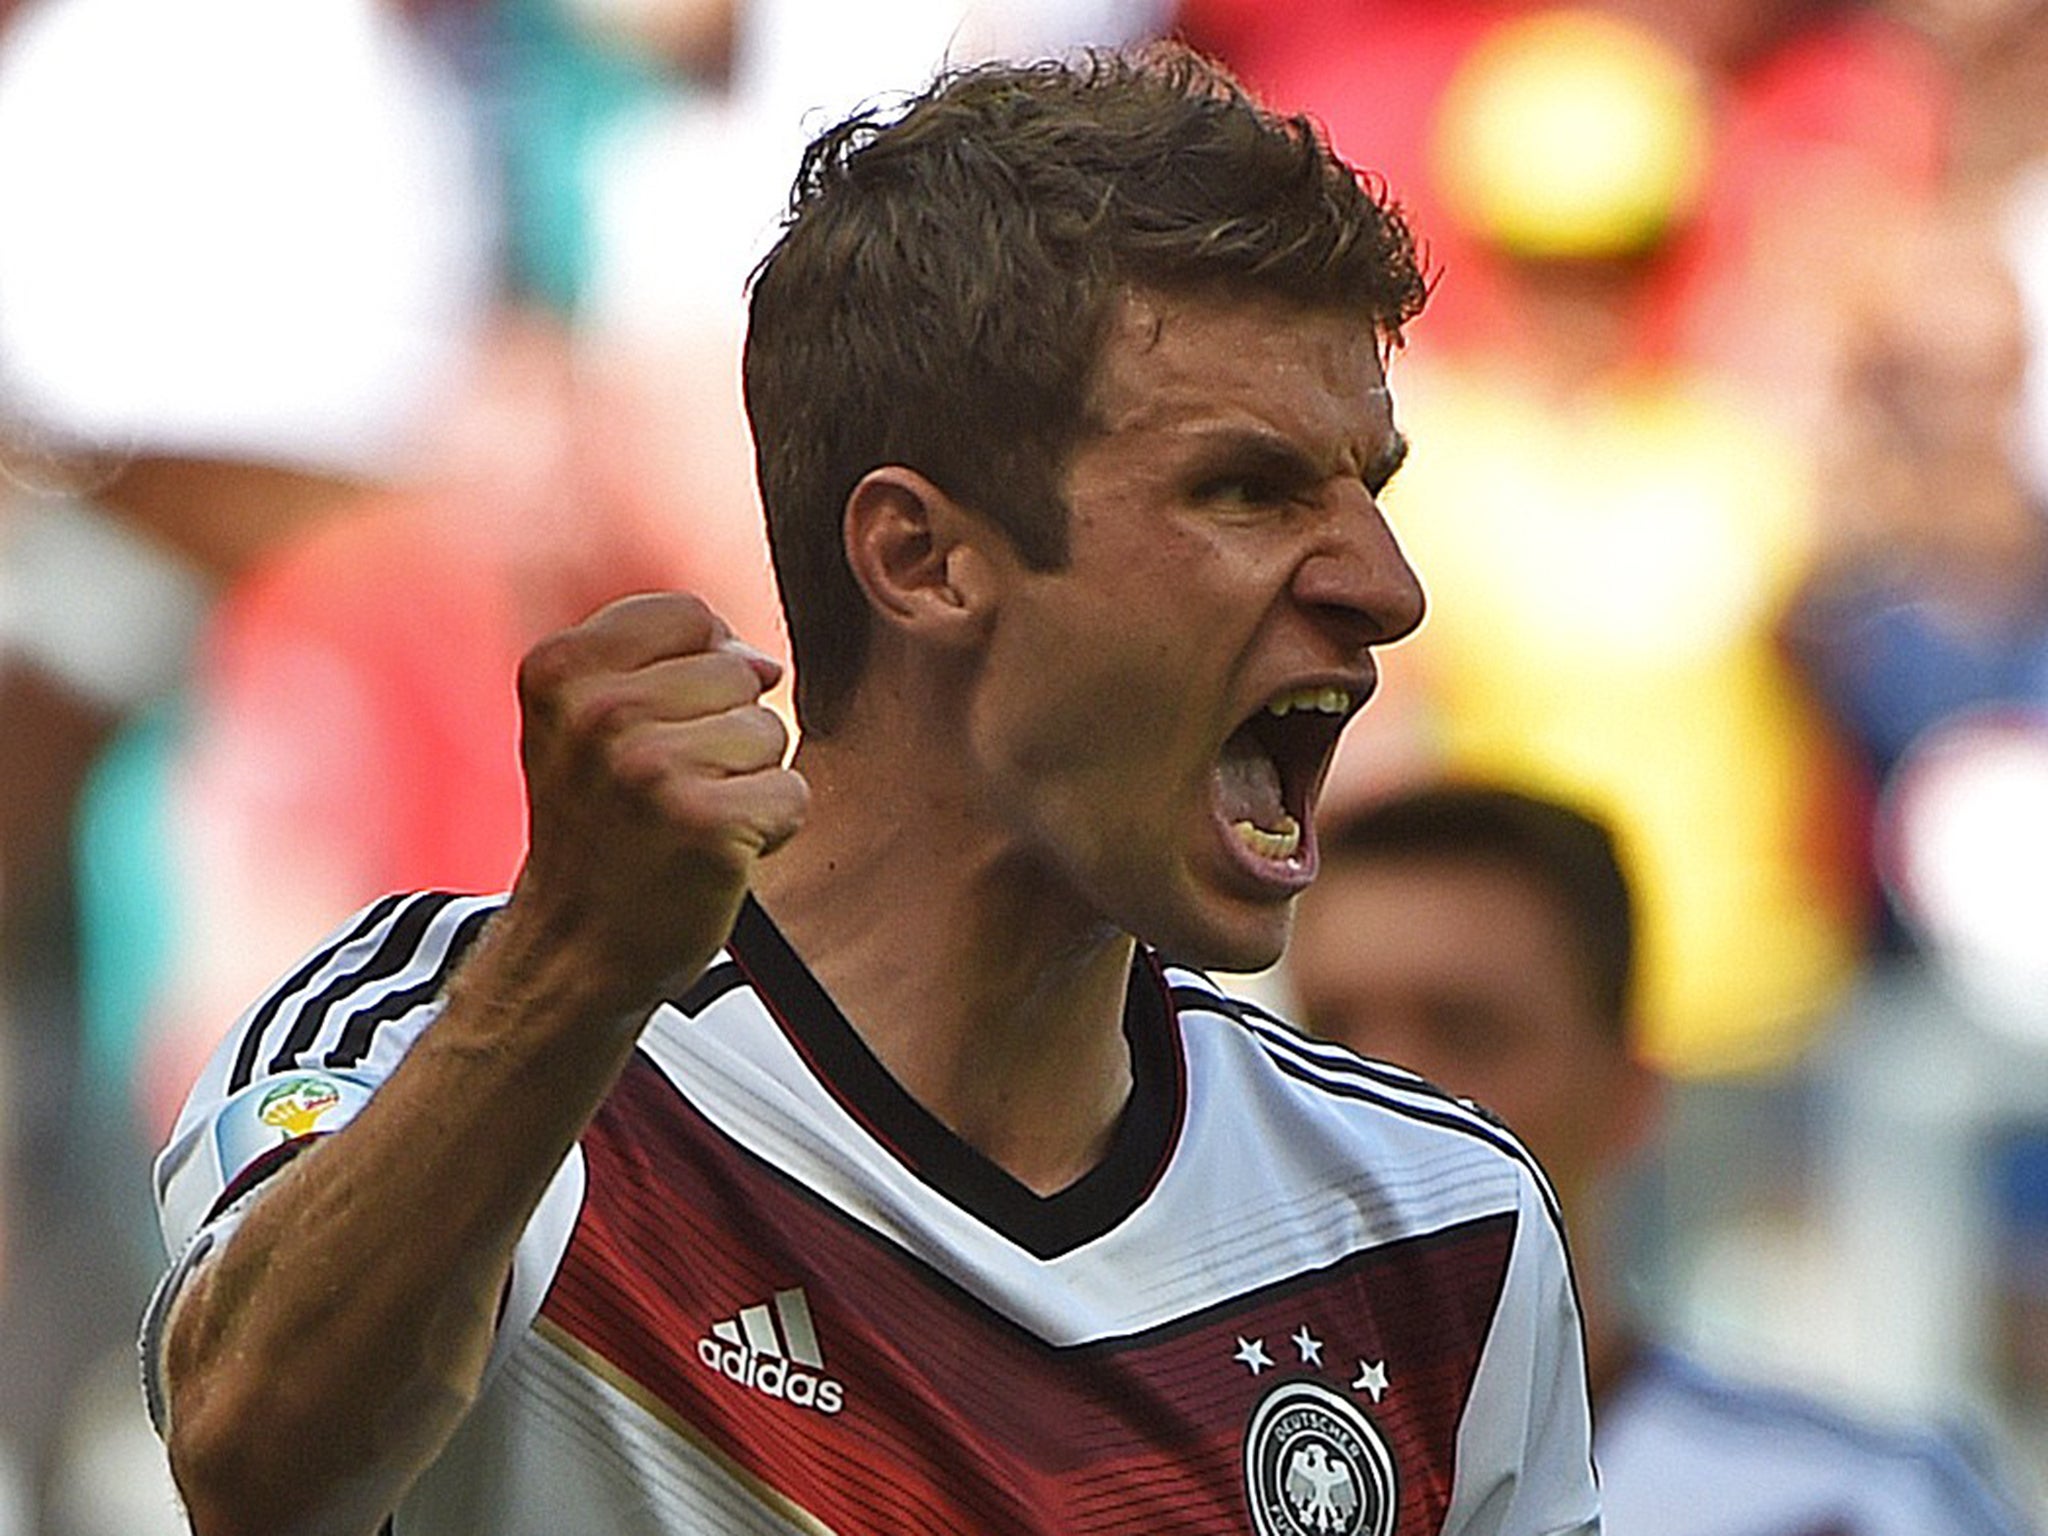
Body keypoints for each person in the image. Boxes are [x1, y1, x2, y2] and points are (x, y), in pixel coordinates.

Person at [140, 46, 1601, 1536]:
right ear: (920, 559)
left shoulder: (1438, 1232)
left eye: (1374, 488)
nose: (1386, 589)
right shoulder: (450, 1039)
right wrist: (568, 977)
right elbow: (254, 1466)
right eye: (1248, 490)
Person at [1287, 781, 2041, 1536]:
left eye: (1467, 1032)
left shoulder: (1847, 1510)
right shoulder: (1197, 1487)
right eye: (1328, 1035)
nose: (1377, 1094)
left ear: (1630, 1093)